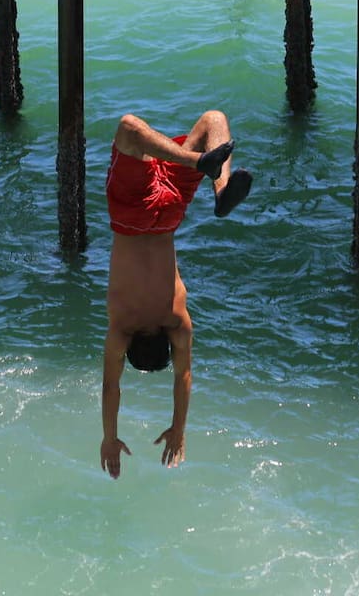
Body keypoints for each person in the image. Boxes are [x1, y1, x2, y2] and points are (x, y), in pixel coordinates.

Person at [100, 110, 252, 479]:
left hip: (169, 217)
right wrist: (109, 437)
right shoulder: (121, 325)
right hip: (132, 216)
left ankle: (217, 181)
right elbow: (110, 385)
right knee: (129, 128)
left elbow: (183, 376)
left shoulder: (178, 321)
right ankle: (211, 175)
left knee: (213, 121)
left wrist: (178, 429)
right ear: (130, 346)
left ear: (165, 343)